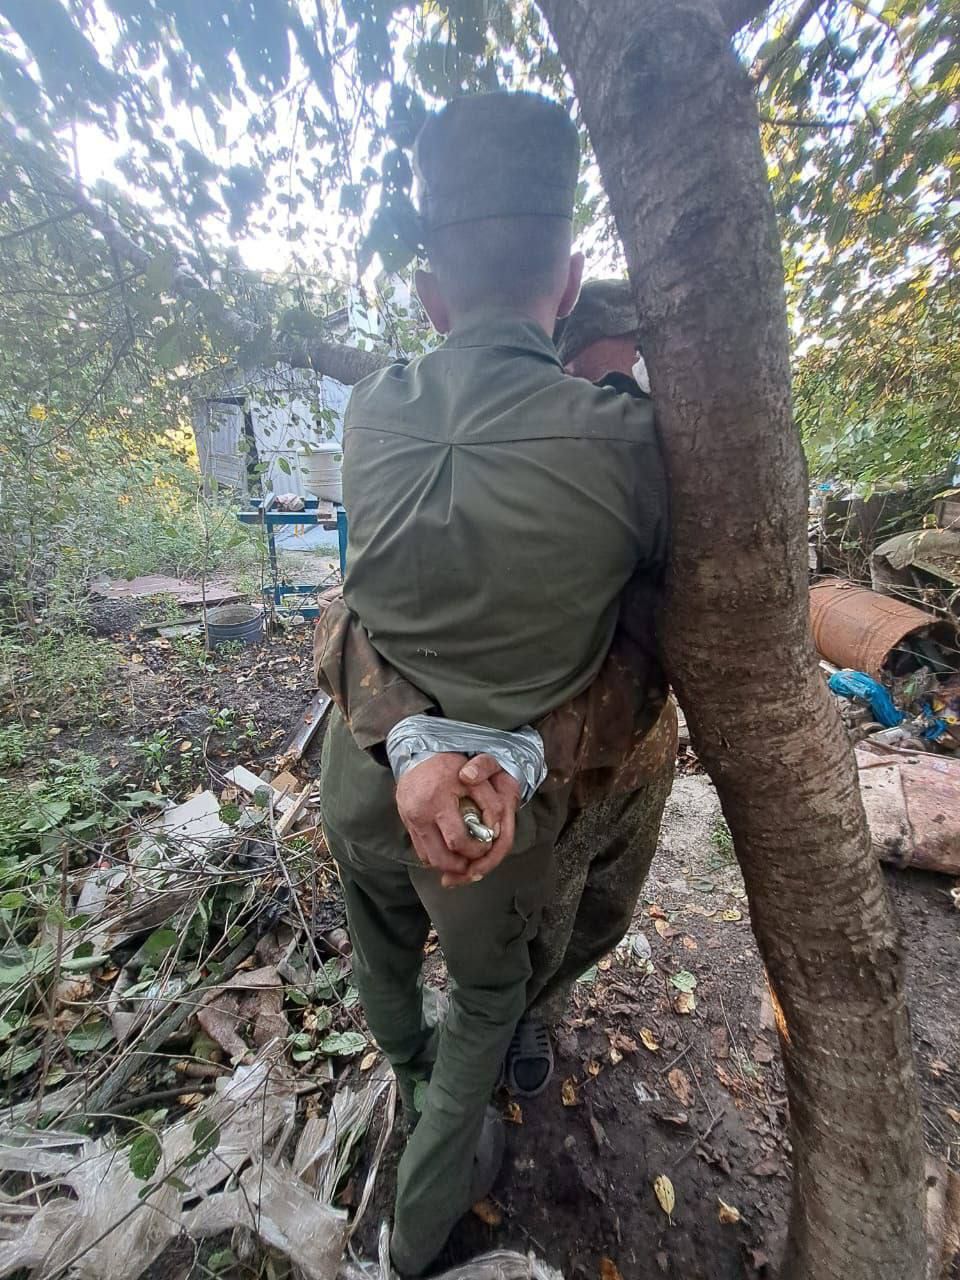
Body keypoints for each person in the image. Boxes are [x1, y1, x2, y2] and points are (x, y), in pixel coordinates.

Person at [318, 92, 669, 1277]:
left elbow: (357, 609)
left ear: (427, 296)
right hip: (483, 823)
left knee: (375, 939)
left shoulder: (370, 413)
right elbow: (665, 628)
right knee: (483, 1003)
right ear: (568, 285)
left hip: (364, 782)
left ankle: (404, 1071)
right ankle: (412, 1239)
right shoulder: (630, 448)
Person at [317, 277, 676, 1100]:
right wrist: (418, 741)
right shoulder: (477, 443)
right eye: (580, 371)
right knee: (510, 910)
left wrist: (529, 754)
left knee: (597, 908)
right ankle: (497, 1016)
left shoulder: (642, 447)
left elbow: (656, 638)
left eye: (616, 374)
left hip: (615, 744)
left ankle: (529, 1007)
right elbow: (356, 612)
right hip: (506, 764)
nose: (592, 393)